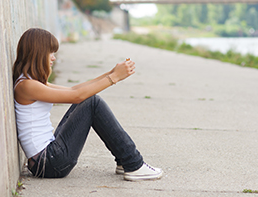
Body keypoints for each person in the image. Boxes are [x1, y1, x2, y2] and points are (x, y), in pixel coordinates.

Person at [13, 28, 163, 181]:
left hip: (47, 159)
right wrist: (114, 78)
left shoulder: (30, 82)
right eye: (50, 53)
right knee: (92, 102)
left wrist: (110, 73)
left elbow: (74, 89)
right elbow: (77, 96)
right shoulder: (27, 86)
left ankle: (124, 161)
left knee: (88, 99)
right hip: (49, 163)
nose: (53, 58)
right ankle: (134, 164)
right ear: (38, 53)